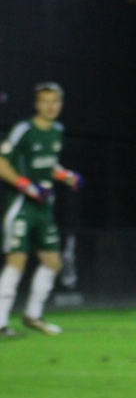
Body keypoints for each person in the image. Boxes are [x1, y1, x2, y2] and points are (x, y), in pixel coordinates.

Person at [0, 82, 82, 339]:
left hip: (44, 207)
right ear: (37, 104)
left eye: (55, 101)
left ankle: (33, 316)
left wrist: (65, 175)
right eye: (45, 101)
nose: (50, 106)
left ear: (61, 104)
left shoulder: (57, 131)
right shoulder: (23, 130)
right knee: (17, 261)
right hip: (21, 205)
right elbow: (2, 163)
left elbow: (48, 164)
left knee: (53, 262)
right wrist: (26, 186)